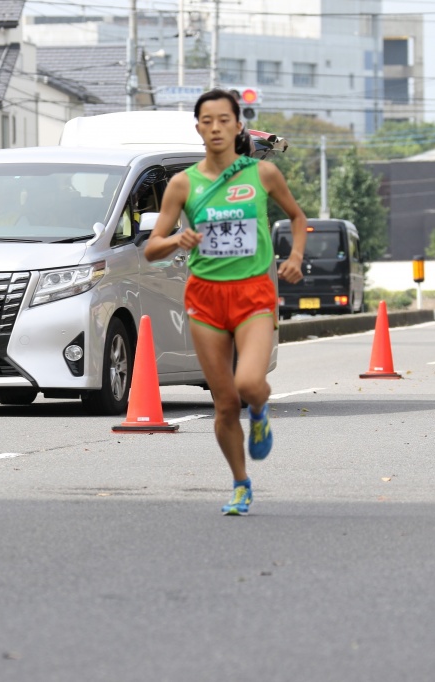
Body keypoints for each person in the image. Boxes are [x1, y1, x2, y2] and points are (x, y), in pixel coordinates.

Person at [144, 89, 307, 516]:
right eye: (207, 120)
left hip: (253, 293)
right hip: (205, 298)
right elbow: (152, 247)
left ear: (238, 125)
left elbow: (297, 217)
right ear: (198, 127)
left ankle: (261, 408)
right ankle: (240, 483)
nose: (215, 127)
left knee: (249, 384)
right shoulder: (183, 184)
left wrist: (294, 257)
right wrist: (178, 238)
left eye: (224, 119)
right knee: (224, 402)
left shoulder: (262, 175)